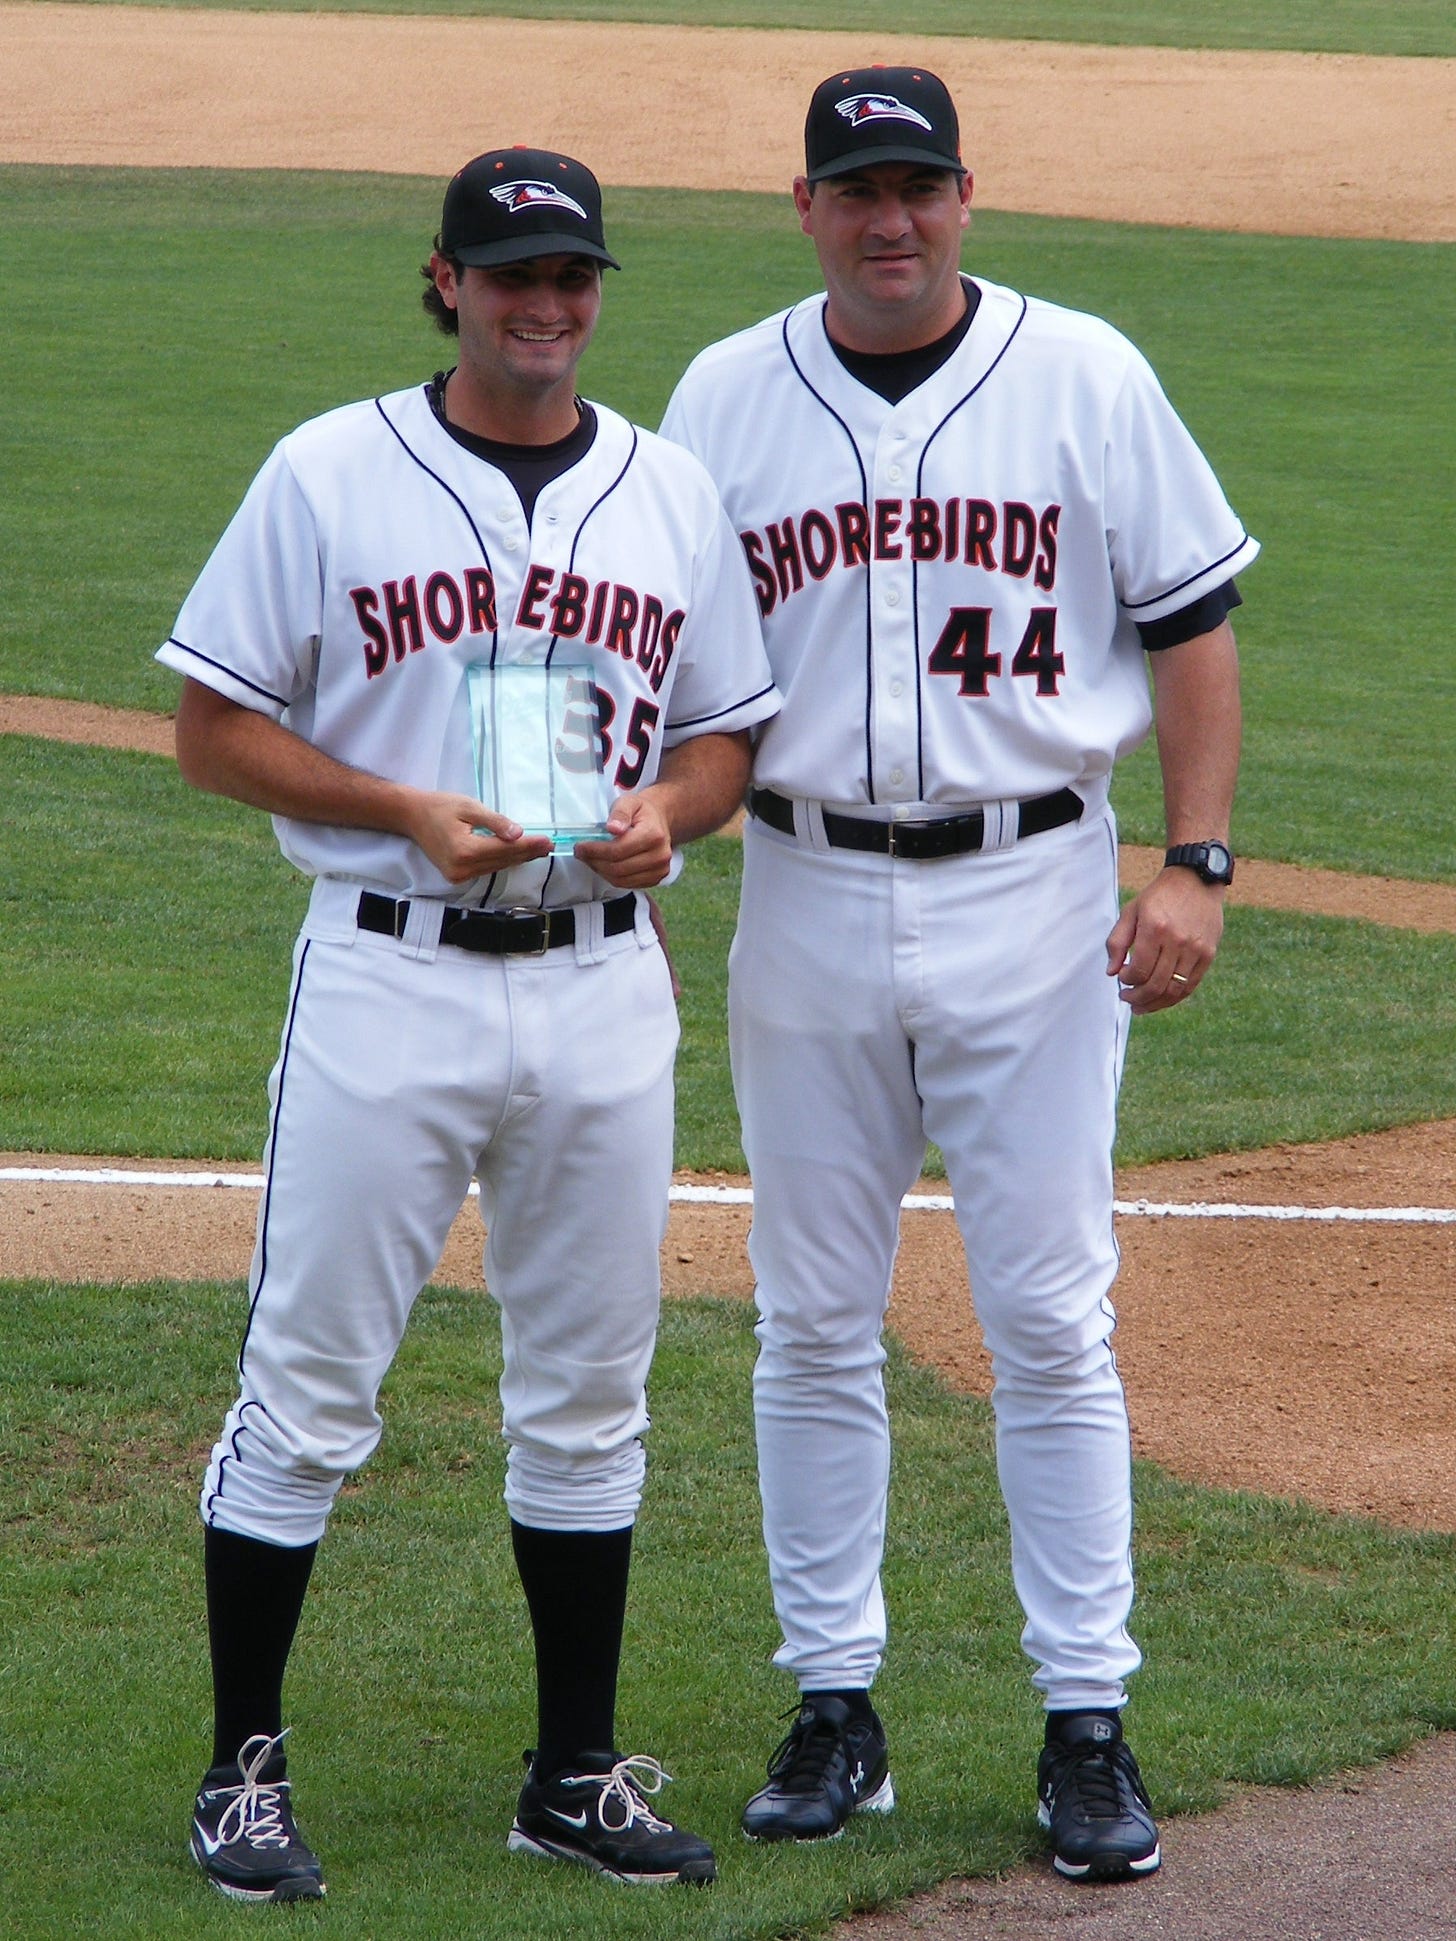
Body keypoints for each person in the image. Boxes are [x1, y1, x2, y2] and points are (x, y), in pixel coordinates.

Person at [158, 145, 778, 1900]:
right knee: (307, 1384)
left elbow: (727, 731)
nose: (546, 305)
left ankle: (573, 1773)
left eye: (574, 277)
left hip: (602, 985)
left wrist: (680, 808)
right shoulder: (330, 469)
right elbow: (212, 725)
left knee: (591, 1395)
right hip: (389, 967)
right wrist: (403, 807)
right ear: (445, 281)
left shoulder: (669, 489)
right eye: (512, 275)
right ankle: (243, 1767)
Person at [661, 65, 1256, 1882]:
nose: (890, 217)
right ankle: (834, 1705)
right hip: (805, 889)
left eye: (918, 185)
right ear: (808, 206)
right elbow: (673, 654)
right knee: (813, 1316)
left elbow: (1192, 623)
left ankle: (1088, 1717)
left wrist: (1197, 860)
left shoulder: (1086, 371)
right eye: (858, 189)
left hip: (1037, 893)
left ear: (966, 196)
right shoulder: (722, 393)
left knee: (1053, 1320)